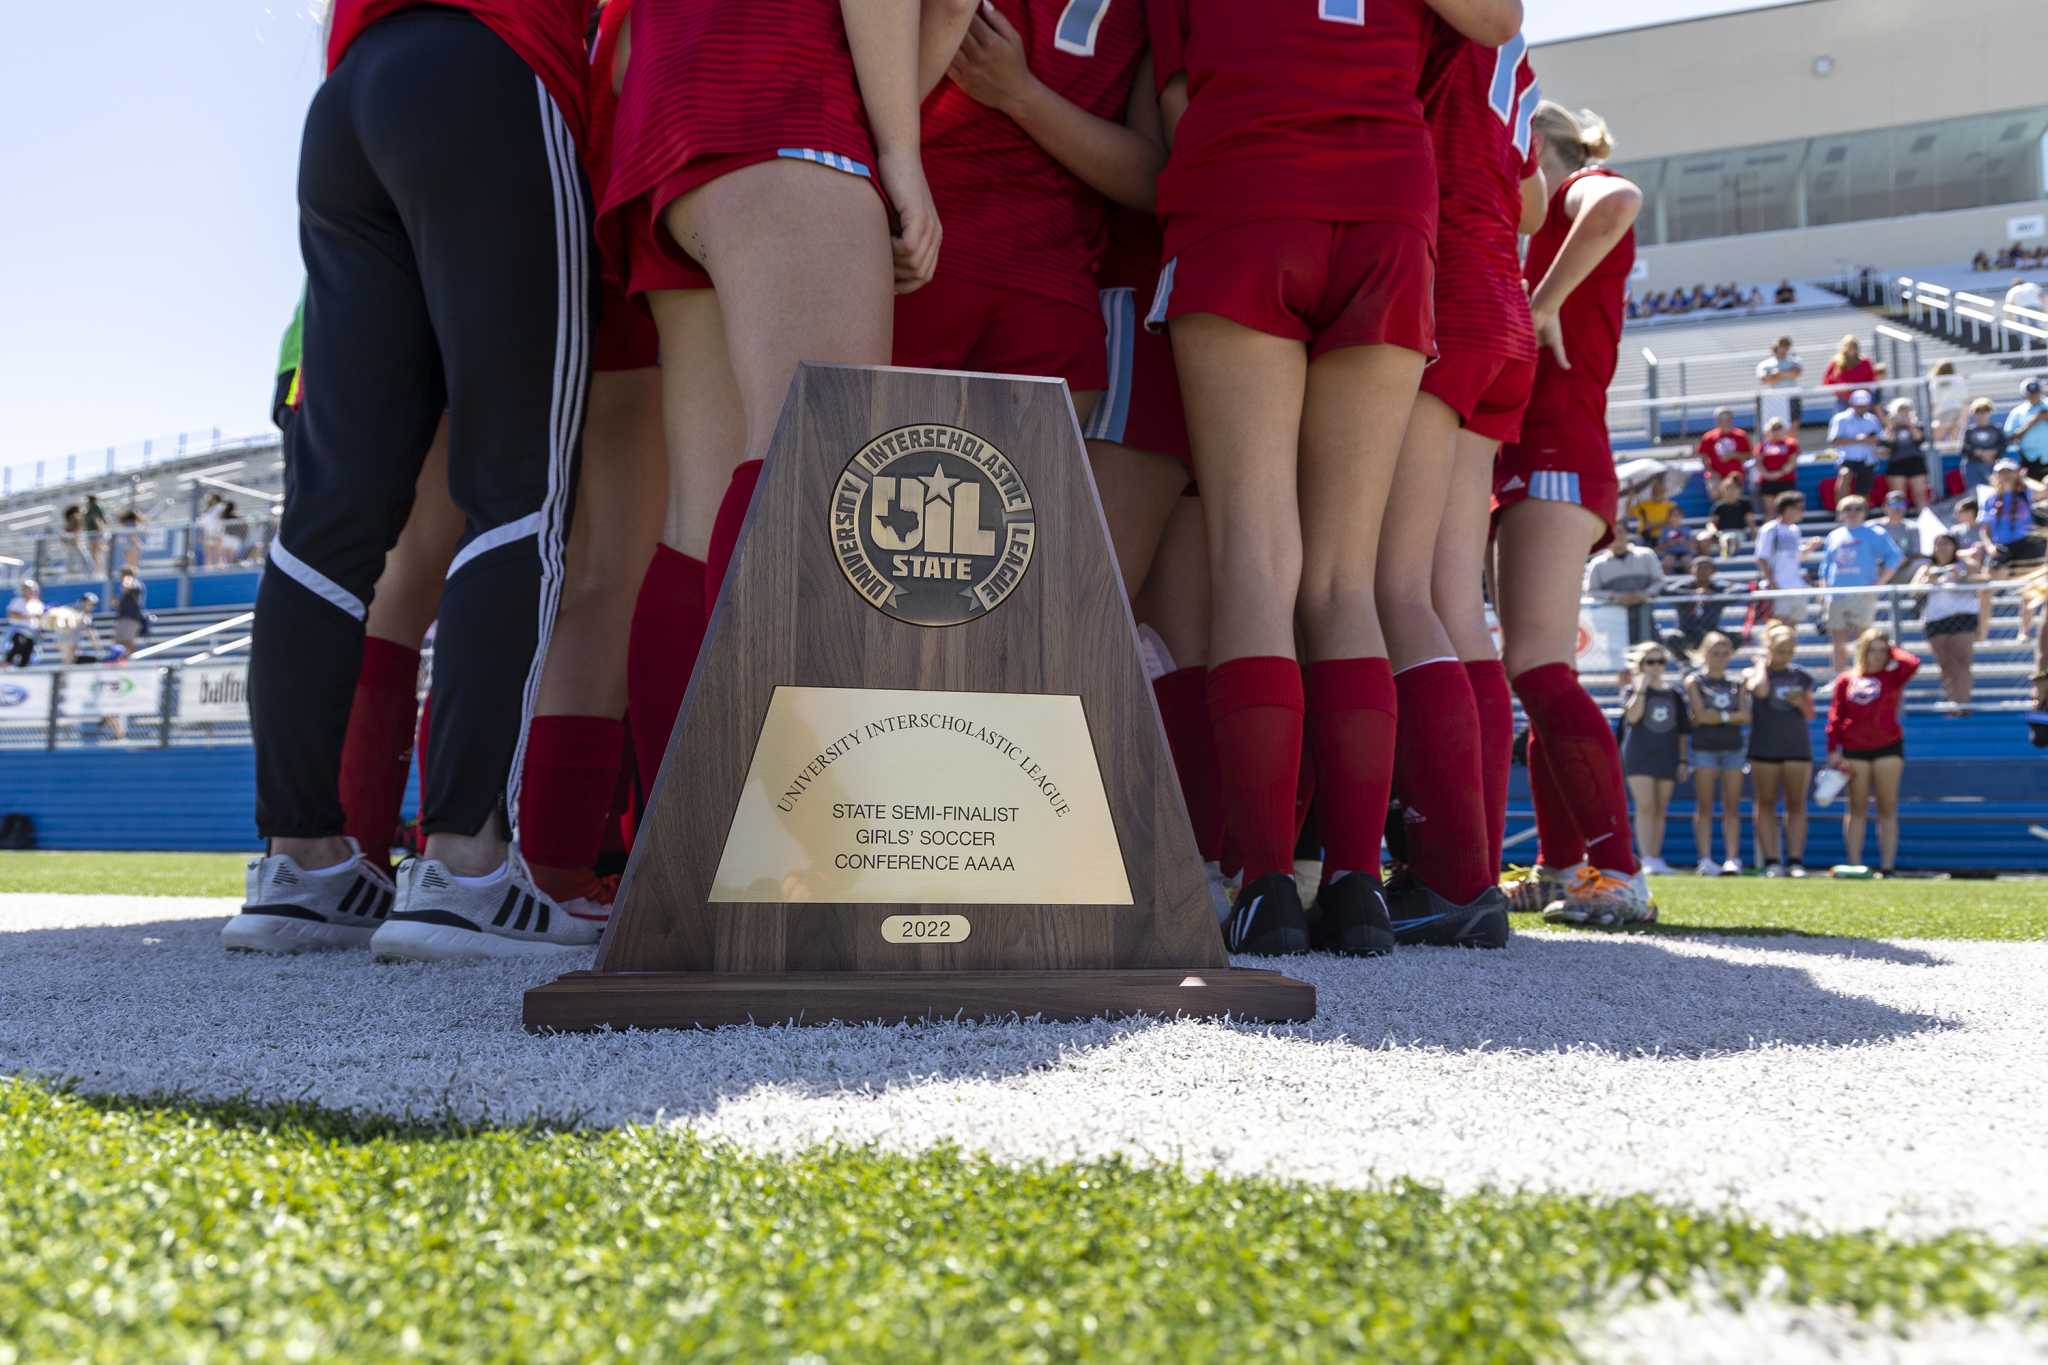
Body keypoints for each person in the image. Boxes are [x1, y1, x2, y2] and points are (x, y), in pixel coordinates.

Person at [223, 0, 604, 960]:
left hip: (351, 89)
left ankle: (298, 863)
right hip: (491, 61)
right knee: (519, 486)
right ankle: (464, 865)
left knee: (328, 521)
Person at [1147, 0, 1524, 957]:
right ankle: (1356, 884)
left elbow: (1176, 112)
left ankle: (1266, 882)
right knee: (1346, 582)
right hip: (1393, 204)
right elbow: (1495, 23)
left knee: (1255, 564)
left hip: (1244, 186)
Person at [604, 0, 947, 849]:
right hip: (786, 97)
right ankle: (785, 854)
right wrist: (900, 152)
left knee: (698, 517)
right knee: (814, 479)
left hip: (669, 118)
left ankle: (686, 865)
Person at [1368, 20, 1542, 946]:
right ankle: (1466, 869)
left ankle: (1455, 872)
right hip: (1501, 298)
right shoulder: (1506, 44)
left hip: (1442, 285)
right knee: (1451, 600)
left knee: (1398, 588)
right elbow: (1534, 198)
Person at [1491, 100, 1654, 927]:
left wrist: (1541, 301)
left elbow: (1620, 200)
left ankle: (1618, 872)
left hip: (1558, 453)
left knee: (1540, 670)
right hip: (1540, 457)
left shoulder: (1582, 186)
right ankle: (1564, 867)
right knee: (1536, 672)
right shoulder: (1541, 220)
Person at [1825, 629, 1919, 877]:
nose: (1877, 656)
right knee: (1856, 807)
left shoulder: (1893, 677)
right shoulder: (1846, 680)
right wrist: (1833, 749)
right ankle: (1855, 864)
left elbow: (1913, 662)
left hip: (1888, 746)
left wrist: (1891, 648)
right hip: (1855, 749)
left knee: (1887, 806)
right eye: (1872, 649)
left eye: (1881, 650)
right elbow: (1836, 715)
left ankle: (1887, 866)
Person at [1745, 623, 1814, 877]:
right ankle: (1772, 860)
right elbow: (1760, 690)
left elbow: (1810, 713)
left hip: (1796, 746)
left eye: (1789, 649)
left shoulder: (1802, 676)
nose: (1785, 654)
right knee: (1765, 802)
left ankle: (1795, 860)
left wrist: (1800, 702)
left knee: (1796, 804)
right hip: (1764, 746)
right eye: (1780, 649)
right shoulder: (1755, 673)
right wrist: (1762, 664)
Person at [1684, 631, 1749, 876]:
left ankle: (1732, 858)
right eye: (1714, 652)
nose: (1720, 657)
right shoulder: (1695, 681)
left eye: (1724, 652)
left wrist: (1718, 717)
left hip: (1733, 747)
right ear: (1704, 653)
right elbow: (1700, 716)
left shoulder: (1737, 682)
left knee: (1732, 805)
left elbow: (1746, 715)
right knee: (1705, 805)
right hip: (1705, 748)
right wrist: (1728, 718)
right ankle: (1706, 858)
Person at [1618, 642, 1684, 877]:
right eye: (1650, 662)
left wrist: (1684, 760)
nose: (1656, 667)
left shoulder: (1674, 693)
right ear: (1641, 665)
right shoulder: (1631, 691)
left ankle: (1656, 856)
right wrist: (1641, 689)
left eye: (1660, 661)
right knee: (1645, 806)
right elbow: (1633, 717)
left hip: (1666, 754)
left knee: (1660, 808)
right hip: (1639, 755)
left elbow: (1682, 730)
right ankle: (1646, 857)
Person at [1820, 495, 1904, 672]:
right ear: (1840, 513)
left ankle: (1862, 674)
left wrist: (1880, 582)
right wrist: (1823, 592)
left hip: (1863, 593)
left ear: (1864, 512)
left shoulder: (1875, 532)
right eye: (1847, 509)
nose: (1852, 513)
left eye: (1857, 508)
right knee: (1837, 639)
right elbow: (1826, 566)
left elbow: (1894, 557)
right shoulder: (1834, 535)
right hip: (1836, 594)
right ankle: (1839, 677)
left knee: (1864, 638)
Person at [1913, 534, 1991, 714]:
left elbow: (1984, 579)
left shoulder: (1964, 564)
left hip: (1962, 617)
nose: (1942, 548)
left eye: (1946, 543)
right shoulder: (1927, 567)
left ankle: (1964, 704)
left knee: (1963, 661)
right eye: (1938, 544)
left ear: (1954, 546)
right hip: (1935, 619)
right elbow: (1913, 590)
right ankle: (1953, 704)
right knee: (1945, 664)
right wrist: (1928, 581)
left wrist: (1961, 577)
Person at [1583, 518, 1664, 645]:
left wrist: (1644, 594)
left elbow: (1659, 581)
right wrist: (1615, 597)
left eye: (1620, 531)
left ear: (1627, 533)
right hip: (1612, 620)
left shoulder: (1646, 555)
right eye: (1612, 533)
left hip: (1645, 617)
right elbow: (1591, 591)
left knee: (1649, 653)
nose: (1616, 536)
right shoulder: (1597, 564)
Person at [1979, 458, 2048, 575]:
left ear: (2017, 473)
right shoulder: (1990, 499)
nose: (2005, 476)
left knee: (2028, 585)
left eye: (2009, 471)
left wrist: (2024, 479)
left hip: (2026, 546)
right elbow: (1984, 529)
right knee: (1989, 579)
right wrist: (1989, 547)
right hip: (2001, 548)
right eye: (2001, 472)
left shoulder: (2026, 493)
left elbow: (2044, 491)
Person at [1754, 490, 1811, 629]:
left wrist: (1809, 548)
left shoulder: (1795, 530)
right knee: (1777, 628)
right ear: (1788, 508)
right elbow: (1761, 558)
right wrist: (1772, 583)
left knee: (1792, 627)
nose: (1802, 512)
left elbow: (1796, 557)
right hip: (1779, 587)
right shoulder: (1770, 529)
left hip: (1796, 586)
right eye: (1799, 508)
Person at [1827, 389, 1883, 504]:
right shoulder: (1841, 418)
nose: (1861, 408)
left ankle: (1862, 514)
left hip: (1868, 459)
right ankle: (1841, 509)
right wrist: (1858, 440)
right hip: (1847, 458)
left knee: (1864, 489)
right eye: (1859, 406)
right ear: (1852, 404)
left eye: (1864, 406)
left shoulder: (1872, 419)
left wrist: (1868, 440)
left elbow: (1879, 439)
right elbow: (1834, 440)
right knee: (1845, 474)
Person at [1878, 397, 1932, 510]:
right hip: (1897, 463)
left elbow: (1919, 440)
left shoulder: (1917, 426)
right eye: (1900, 412)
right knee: (1898, 496)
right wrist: (1892, 426)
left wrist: (1910, 424)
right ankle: (1898, 520)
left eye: (1906, 411)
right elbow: (1888, 445)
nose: (1903, 414)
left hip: (1915, 462)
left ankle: (1925, 519)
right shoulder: (1890, 428)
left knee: (1920, 494)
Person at [1671, 556, 1726, 650]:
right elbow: (1666, 591)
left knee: (1735, 638)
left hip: (1711, 630)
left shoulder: (1718, 587)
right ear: (1691, 570)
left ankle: (1718, 662)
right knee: (1673, 639)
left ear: (1713, 571)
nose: (1702, 571)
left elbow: (1740, 588)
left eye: (1706, 568)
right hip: (1687, 630)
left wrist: (1714, 595)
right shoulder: (1684, 586)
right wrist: (1692, 593)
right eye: (1699, 567)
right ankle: (1686, 663)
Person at [1959, 397, 2009, 493]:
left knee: (1994, 493)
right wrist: (1979, 453)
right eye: (1978, 411)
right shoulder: (1969, 431)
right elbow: (1964, 449)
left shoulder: (1997, 430)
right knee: (1974, 494)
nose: (1982, 414)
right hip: (1973, 467)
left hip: (1992, 466)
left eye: (1985, 411)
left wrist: (1993, 453)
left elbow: (2003, 446)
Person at [1754, 336, 1803, 431]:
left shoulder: (1795, 360)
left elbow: (1796, 373)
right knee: (1775, 427)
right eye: (1782, 346)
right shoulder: (1765, 364)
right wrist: (1785, 374)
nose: (1785, 349)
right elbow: (1765, 380)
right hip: (1774, 399)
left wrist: (1777, 375)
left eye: (1787, 346)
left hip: (1792, 397)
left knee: (1793, 426)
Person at [2004, 379, 2048, 480]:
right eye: (2031, 394)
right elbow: (2010, 437)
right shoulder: (2017, 412)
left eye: (2036, 393)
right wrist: (2031, 423)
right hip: (2030, 458)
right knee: (2035, 491)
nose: (2034, 396)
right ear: (2024, 395)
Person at [1753, 417, 1800, 509]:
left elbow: (1792, 462)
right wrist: (1767, 475)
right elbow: (1758, 462)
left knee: (1788, 509)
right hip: (1767, 481)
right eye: (1773, 429)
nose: (1776, 431)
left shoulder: (1790, 444)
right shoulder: (1762, 446)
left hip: (1786, 480)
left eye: (1779, 428)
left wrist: (1779, 473)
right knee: (1770, 510)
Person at [1821, 335, 1878, 409]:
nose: (1851, 349)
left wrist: (1860, 392)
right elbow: (1827, 381)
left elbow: (1872, 379)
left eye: (1853, 346)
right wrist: (1840, 390)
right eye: (1848, 346)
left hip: (1862, 400)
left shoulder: (1865, 362)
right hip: (1843, 400)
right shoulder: (1836, 362)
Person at [1926, 360, 1967, 454]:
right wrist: (1962, 419)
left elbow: (1933, 402)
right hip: (1956, 413)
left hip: (1942, 414)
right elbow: (1964, 401)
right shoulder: (1959, 380)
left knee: (1938, 444)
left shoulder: (1934, 382)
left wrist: (1932, 417)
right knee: (1955, 445)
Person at [3, 578, 43, 668]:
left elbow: (39, 620)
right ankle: (5, 665)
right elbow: (11, 615)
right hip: (19, 630)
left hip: (32, 632)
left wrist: (39, 630)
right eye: (28, 589)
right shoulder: (17, 601)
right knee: (18, 647)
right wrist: (28, 617)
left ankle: (21, 670)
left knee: (27, 653)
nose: (30, 591)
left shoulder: (38, 604)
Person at [113, 569, 146, 653]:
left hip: (131, 618)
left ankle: (130, 659)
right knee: (118, 641)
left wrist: (127, 579)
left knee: (127, 641)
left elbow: (126, 587)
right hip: (123, 618)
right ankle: (120, 659)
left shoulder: (136, 583)